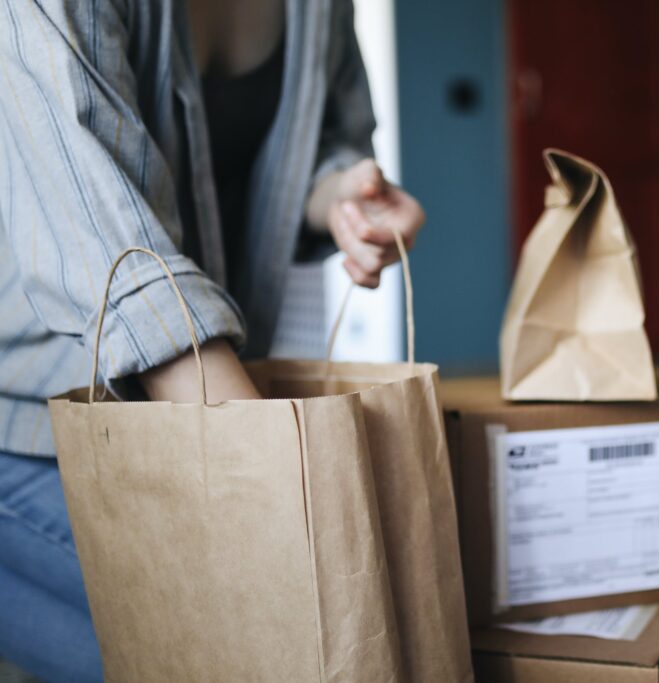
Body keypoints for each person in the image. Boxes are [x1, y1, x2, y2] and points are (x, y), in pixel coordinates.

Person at [0, 1, 424, 680]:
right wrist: (277, 490)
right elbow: (115, 254)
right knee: (253, 651)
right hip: (26, 422)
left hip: (183, 422)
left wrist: (338, 194)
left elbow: (320, 138)